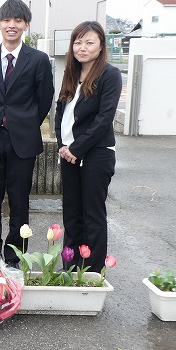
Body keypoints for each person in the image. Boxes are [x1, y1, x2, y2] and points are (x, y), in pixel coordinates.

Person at [0, 0, 54, 266]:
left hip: (23, 140)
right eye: (6, 20)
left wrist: (25, 122)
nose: (12, 25)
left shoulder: (39, 60)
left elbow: (44, 99)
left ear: (26, 25)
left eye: (18, 20)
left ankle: (14, 255)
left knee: (20, 202)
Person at [54, 21, 122, 273]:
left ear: (101, 45)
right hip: (69, 154)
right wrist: (63, 146)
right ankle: (71, 267)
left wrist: (77, 148)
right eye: (78, 42)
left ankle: (92, 272)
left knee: (92, 215)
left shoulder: (109, 75)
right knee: (72, 214)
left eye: (89, 42)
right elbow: (61, 112)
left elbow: (105, 118)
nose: (82, 48)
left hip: (96, 155)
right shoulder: (71, 73)